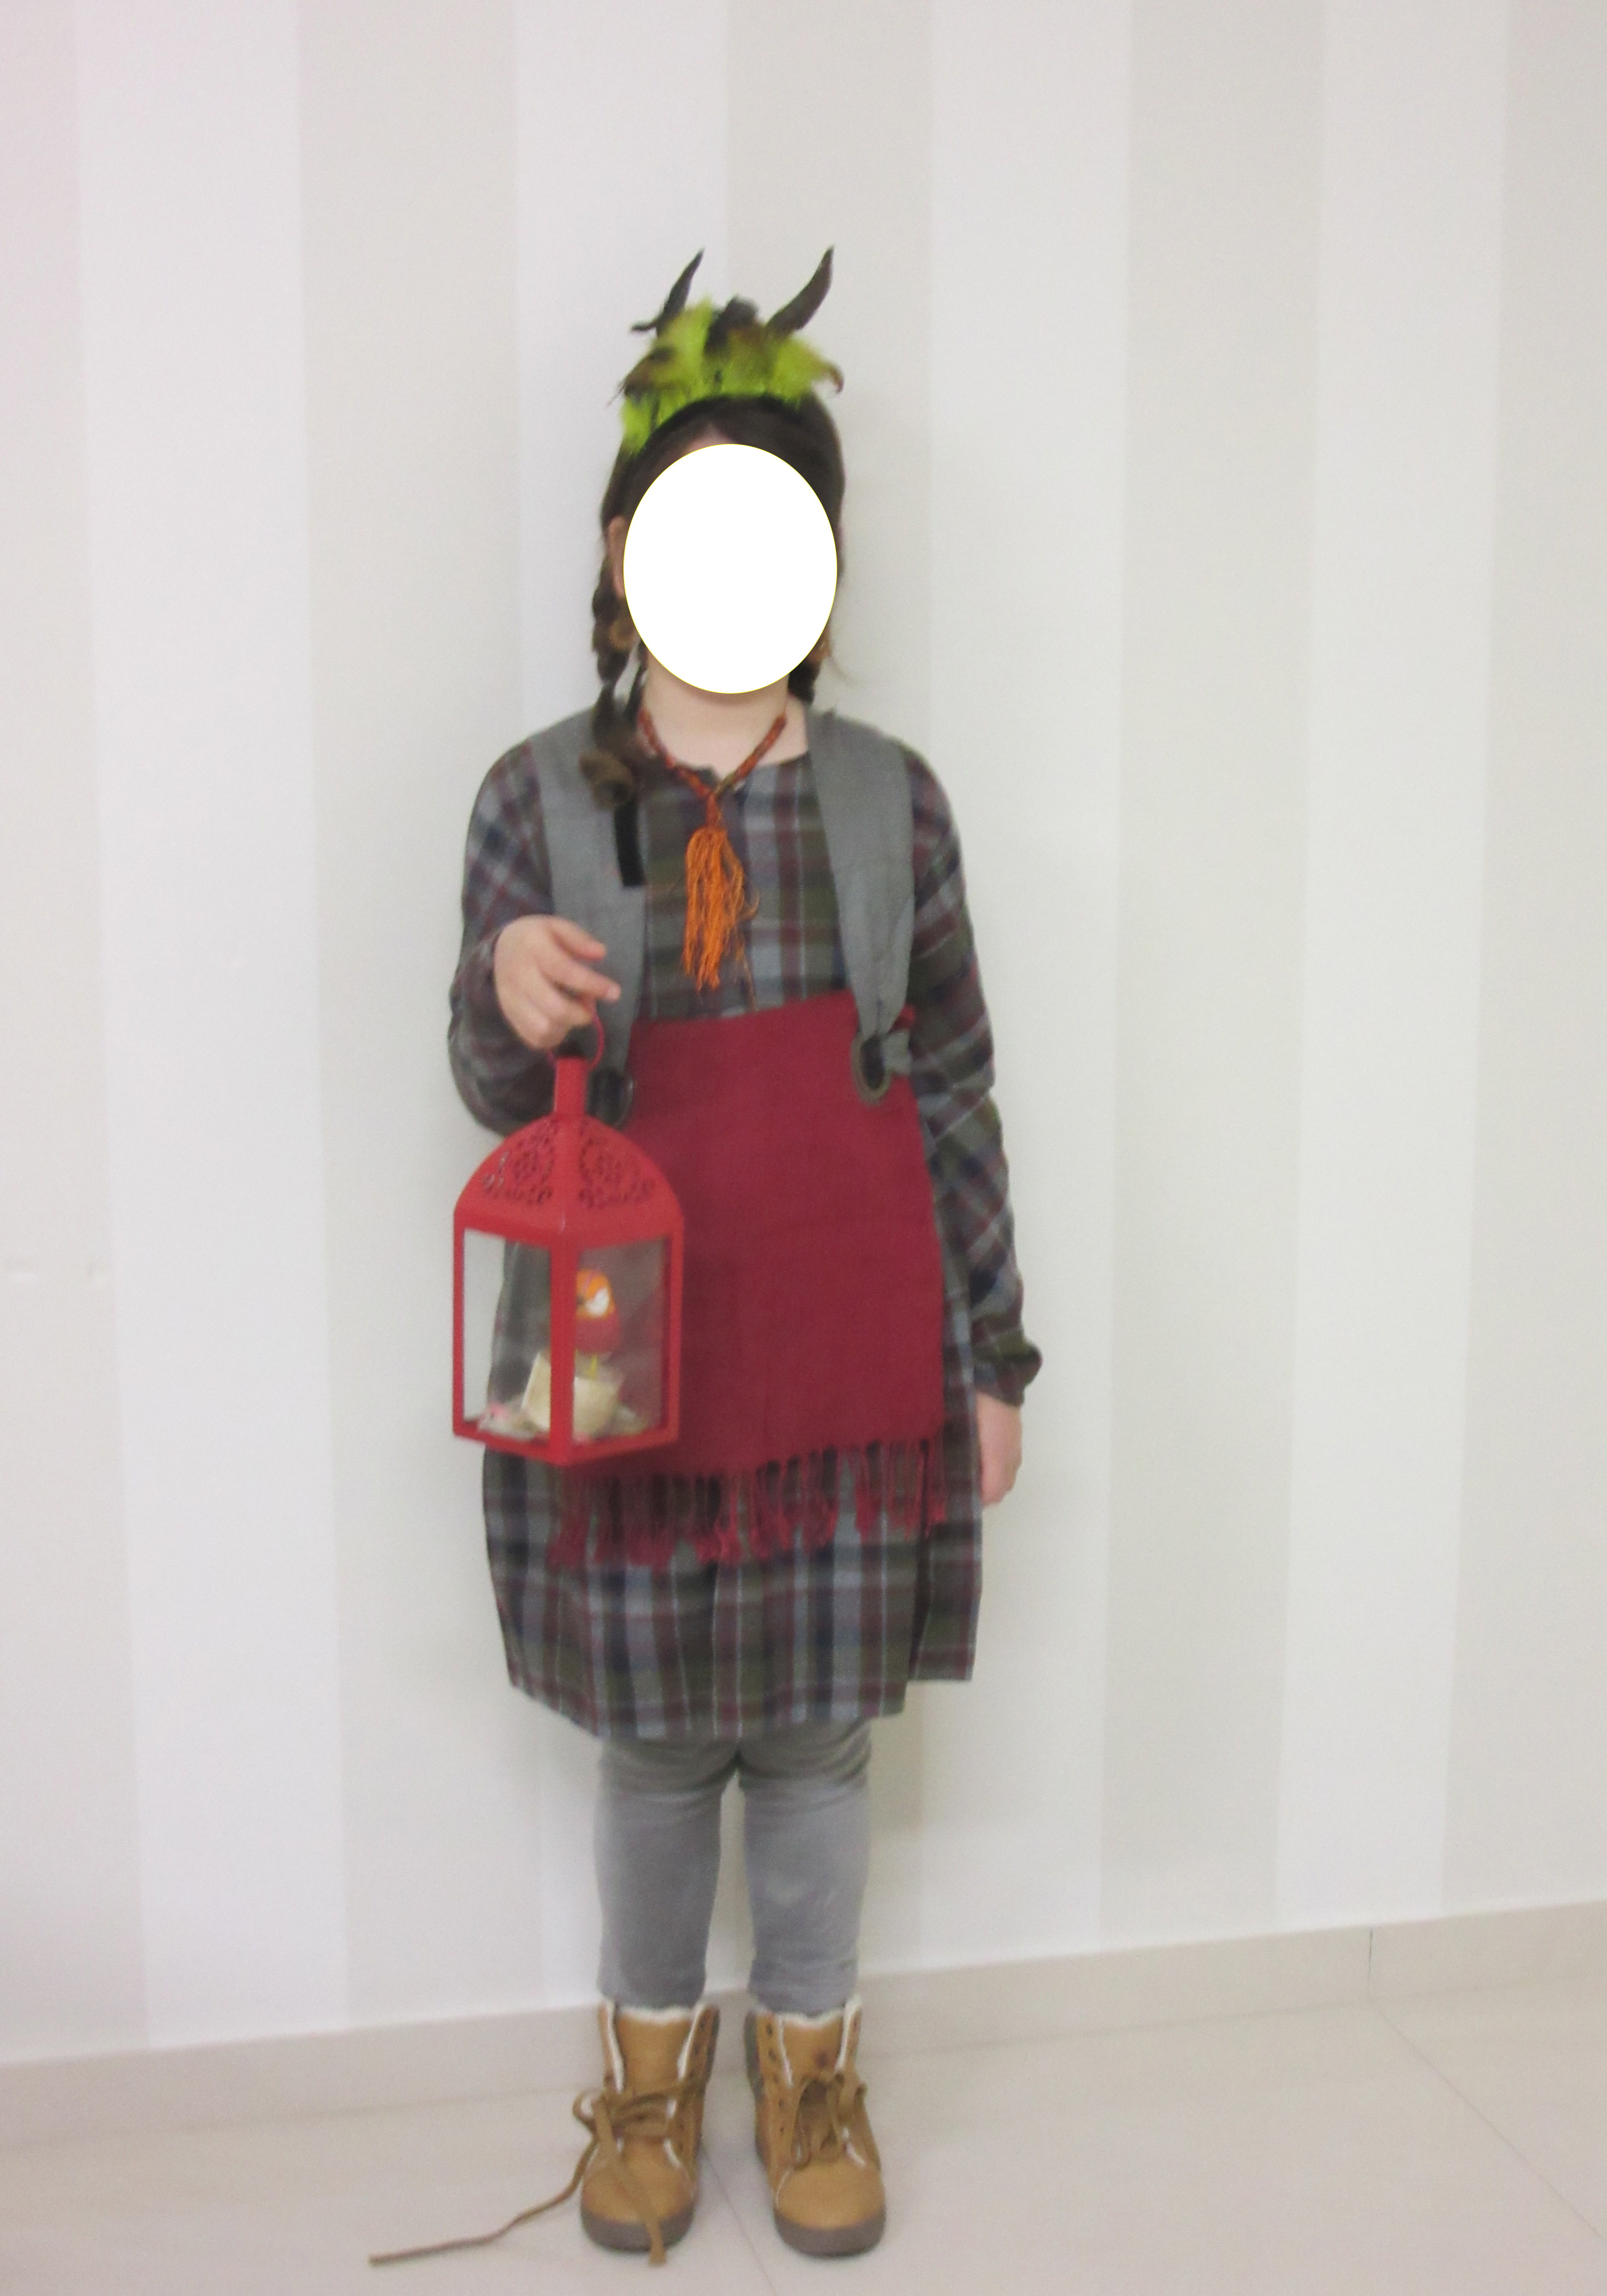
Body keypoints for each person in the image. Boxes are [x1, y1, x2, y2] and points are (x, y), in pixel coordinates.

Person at [441, 253, 1038, 2266]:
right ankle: (642, 2087)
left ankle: (810, 2074)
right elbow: (490, 1094)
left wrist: (993, 1358)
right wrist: (502, 993)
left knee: (812, 1745)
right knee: (655, 1749)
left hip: (847, 1365)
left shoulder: (890, 807)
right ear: (623, 554)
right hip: (625, 1367)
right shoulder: (535, 798)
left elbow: (951, 1085)